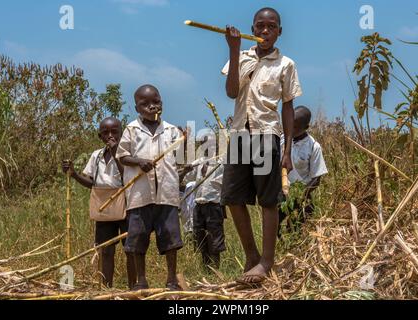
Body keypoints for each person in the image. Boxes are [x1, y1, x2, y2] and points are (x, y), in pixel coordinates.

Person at [220, 7, 302, 284]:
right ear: (252, 30)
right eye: (260, 26)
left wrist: (287, 150)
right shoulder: (241, 58)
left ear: (279, 32)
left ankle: (267, 262)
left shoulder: (286, 64)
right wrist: (234, 50)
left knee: (268, 201)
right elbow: (231, 92)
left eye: (271, 27)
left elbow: (288, 108)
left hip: (267, 135)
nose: (265, 31)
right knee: (232, 197)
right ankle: (252, 255)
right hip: (239, 135)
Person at [116, 84, 184, 291]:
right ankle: (141, 281)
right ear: (137, 108)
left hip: (166, 194)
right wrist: (139, 161)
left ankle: (172, 280)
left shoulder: (172, 130)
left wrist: (185, 141)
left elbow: (180, 159)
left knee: (170, 239)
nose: (151, 107)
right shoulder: (131, 129)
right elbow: (122, 156)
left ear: (162, 103)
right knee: (137, 239)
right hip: (140, 195)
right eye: (145, 104)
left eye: (156, 102)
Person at [62, 117, 136, 289]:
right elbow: (91, 183)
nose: (110, 136)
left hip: (126, 206)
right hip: (104, 208)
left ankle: (134, 287)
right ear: (100, 136)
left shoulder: (128, 154)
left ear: (122, 133)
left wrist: (117, 153)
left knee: (131, 249)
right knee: (105, 250)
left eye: (114, 132)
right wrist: (73, 174)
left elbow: (128, 177)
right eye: (105, 133)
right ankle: (106, 287)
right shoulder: (96, 156)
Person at [279, 106, 328, 235]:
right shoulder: (280, 139)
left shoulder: (313, 147)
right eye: (289, 124)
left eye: (295, 127)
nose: (290, 129)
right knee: (276, 228)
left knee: (299, 229)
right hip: (280, 194)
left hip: (301, 195)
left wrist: (299, 195)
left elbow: (316, 178)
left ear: (305, 128)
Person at [182, 135, 226, 269]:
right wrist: (185, 169)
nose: (209, 147)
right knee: (200, 236)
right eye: (204, 144)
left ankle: (216, 268)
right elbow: (186, 179)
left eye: (212, 144)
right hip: (198, 206)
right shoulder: (198, 162)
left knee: (214, 237)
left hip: (214, 205)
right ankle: (205, 268)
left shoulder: (221, 162)